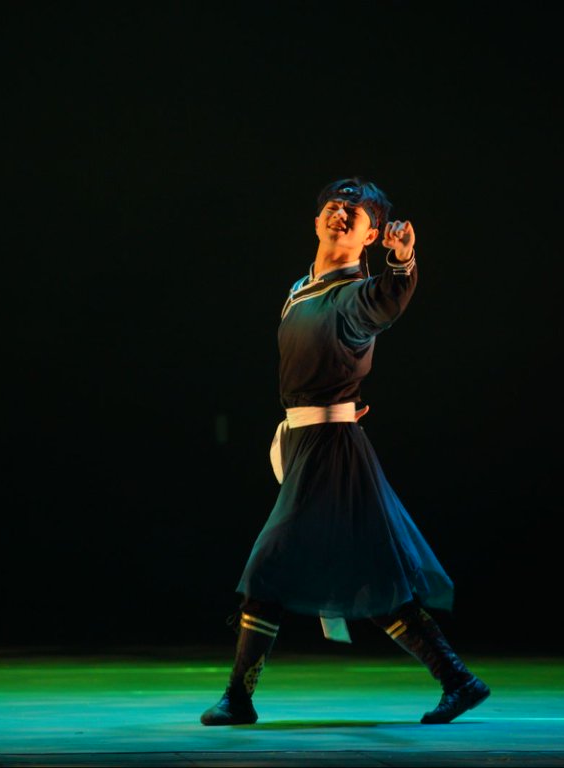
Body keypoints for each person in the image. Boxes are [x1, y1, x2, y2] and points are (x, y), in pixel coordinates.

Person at [200, 177, 490, 726]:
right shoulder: (299, 290)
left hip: (331, 449)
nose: (340, 214)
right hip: (308, 442)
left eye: (354, 213)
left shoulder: (357, 295)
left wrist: (402, 262)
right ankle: (459, 679)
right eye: (333, 207)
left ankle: (238, 697)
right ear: (315, 222)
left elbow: (385, 301)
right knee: (370, 574)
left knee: (268, 565)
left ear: (371, 234)